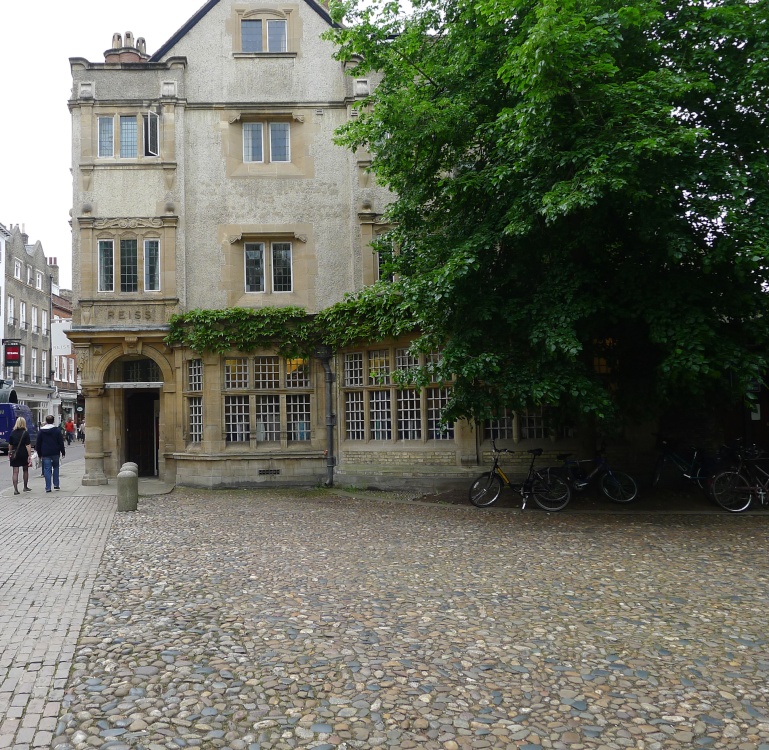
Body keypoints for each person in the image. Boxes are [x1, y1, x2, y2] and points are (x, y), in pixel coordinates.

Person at [36, 415, 66, 493]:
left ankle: (48, 487)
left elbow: (38, 443)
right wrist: (63, 452)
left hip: (45, 452)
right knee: (56, 467)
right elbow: (61, 442)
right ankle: (56, 484)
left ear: (46, 421)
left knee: (47, 469)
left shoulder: (41, 431)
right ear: (53, 421)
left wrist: (39, 453)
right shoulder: (57, 430)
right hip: (55, 452)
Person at [8, 416, 32, 495]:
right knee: (25, 470)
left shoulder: (12, 433)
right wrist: (29, 455)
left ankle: (15, 489)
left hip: (15, 453)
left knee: (15, 472)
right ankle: (25, 487)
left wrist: (10, 452)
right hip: (23, 453)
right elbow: (28, 445)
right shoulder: (25, 433)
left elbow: (10, 444)